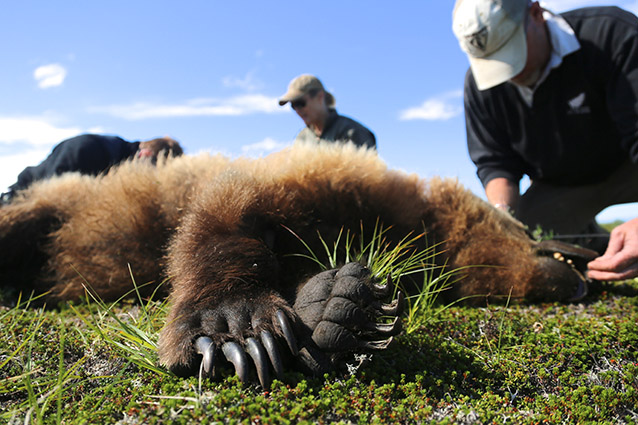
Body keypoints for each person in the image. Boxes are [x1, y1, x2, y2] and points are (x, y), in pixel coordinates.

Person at [452, 0, 638, 279]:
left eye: (511, 51)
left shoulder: (613, 33)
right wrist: (503, 217)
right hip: (560, 186)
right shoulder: (480, 86)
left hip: (628, 167)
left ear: (536, 13)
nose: (509, 73)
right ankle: (592, 242)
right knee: (524, 243)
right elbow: (496, 163)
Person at [1, 134, 183, 202]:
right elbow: (48, 199)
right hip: (17, 203)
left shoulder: (113, 158)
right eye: (156, 167)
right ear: (146, 155)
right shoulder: (87, 149)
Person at [278, 74, 376, 149]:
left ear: (320, 97)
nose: (298, 110)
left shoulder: (352, 132)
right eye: (293, 106)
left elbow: (366, 173)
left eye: (300, 103)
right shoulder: (301, 138)